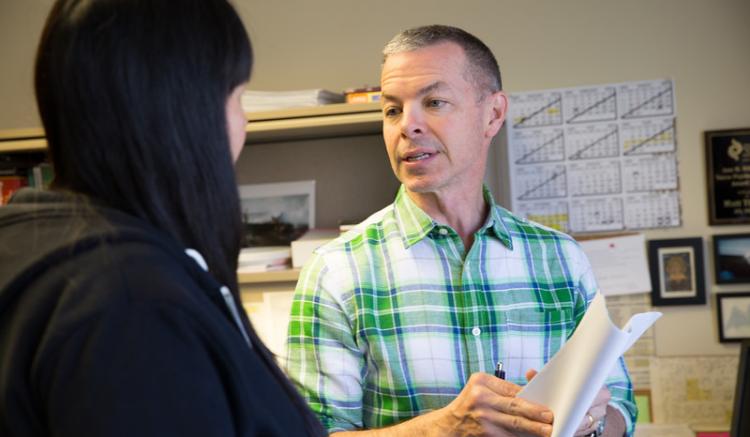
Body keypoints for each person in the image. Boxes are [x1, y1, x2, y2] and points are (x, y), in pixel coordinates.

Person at [286, 25, 635, 437]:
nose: (407, 126)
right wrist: (445, 428)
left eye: (434, 102)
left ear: (493, 115)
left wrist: (589, 421)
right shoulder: (335, 271)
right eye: (392, 110)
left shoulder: (561, 257)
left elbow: (622, 411)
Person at [0, 0, 326, 436]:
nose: (243, 122)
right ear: (187, 112)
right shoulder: (133, 306)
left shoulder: (33, 244)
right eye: (238, 97)